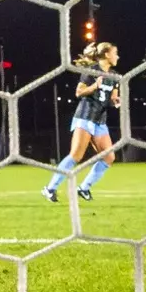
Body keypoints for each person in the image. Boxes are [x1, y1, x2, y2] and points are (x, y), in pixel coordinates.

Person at [45, 42, 120, 203]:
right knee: (76, 156)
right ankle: (50, 188)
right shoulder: (91, 71)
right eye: (115, 53)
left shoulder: (114, 76)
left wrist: (116, 101)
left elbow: (112, 98)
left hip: (100, 120)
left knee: (109, 157)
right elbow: (79, 92)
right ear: (107, 55)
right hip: (85, 117)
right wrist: (94, 86)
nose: (117, 56)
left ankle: (84, 188)